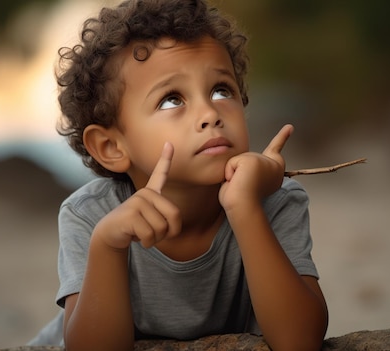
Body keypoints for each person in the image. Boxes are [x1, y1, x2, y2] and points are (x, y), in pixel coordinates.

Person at [29, 0, 328, 349]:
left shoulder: (274, 200)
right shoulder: (93, 217)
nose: (210, 113)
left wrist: (244, 208)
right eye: (172, 100)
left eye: (221, 90)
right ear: (111, 146)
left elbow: (301, 341)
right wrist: (108, 247)